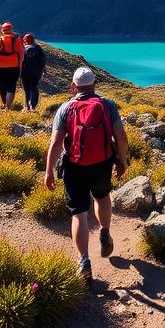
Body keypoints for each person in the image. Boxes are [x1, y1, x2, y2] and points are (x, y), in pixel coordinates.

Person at [44, 67, 128, 282]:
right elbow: (120, 135)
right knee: (102, 197)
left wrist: (49, 172)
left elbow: (56, 142)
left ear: (73, 87)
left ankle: (83, 261)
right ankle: (105, 231)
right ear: (94, 85)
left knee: (79, 213)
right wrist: (122, 160)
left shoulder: (66, 108)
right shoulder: (108, 105)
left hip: (74, 166)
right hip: (102, 163)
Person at [0, 22, 24, 109]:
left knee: (2, 85)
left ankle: (4, 103)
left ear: (2, 31)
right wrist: (20, 66)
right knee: (11, 85)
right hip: (14, 67)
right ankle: (8, 106)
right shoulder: (17, 41)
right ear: (11, 30)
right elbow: (22, 56)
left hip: (0, 67)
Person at [21, 33, 46, 112]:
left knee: (26, 89)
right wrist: (43, 71)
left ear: (25, 40)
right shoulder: (38, 48)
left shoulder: (22, 48)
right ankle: (33, 106)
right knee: (34, 87)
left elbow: (20, 61)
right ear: (33, 40)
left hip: (25, 72)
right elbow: (43, 61)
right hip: (36, 72)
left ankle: (27, 107)